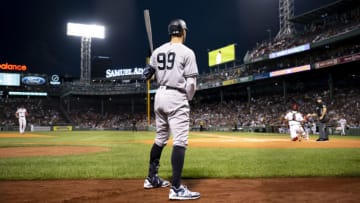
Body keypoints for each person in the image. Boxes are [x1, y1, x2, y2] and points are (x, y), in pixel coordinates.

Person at [142, 19, 200, 200]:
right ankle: (176, 189)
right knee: (180, 141)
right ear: (183, 31)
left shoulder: (157, 51)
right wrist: (187, 98)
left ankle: (151, 178)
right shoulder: (187, 52)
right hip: (176, 96)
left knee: (160, 138)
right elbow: (191, 83)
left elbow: (147, 73)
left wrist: (149, 70)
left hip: (159, 96)